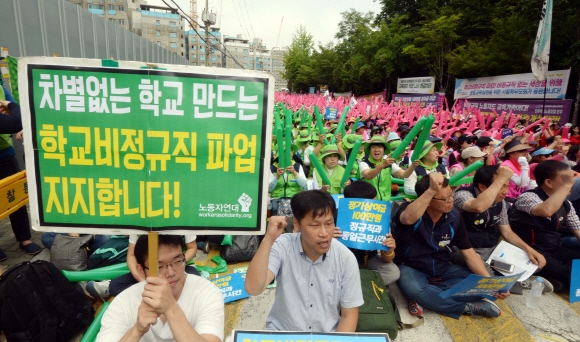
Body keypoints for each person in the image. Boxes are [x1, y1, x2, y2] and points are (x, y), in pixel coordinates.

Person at [393, 173, 510, 319]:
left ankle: (428, 297)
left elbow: (469, 253)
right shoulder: (410, 209)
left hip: (443, 268)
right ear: (428, 200)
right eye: (445, 198)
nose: (451, 201)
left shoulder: (454, 216)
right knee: (414, 288)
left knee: (482, 285)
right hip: (412, 268)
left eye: (451, 195)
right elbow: (407, 218)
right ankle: (466, 307)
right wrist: (431, 190)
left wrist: (489, 283)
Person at [245, 190, 363, 332]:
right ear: (297, 224)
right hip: (282, 333)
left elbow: (348, 316)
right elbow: (253, 288)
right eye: (314, 225)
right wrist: (268, 239)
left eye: (329, 223)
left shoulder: (346, 259)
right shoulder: (283, 245)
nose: (324, 233)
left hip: (325, 337)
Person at [96, 235, 224, 342]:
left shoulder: (207, 292)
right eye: (159, 267)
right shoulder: (124, 302)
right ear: (141, 271)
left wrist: (171, 308)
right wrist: (137, 330)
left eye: (178, 261)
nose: (171, 272)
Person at [453, 165, 549, 290]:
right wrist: (502, 177)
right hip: (467, 251)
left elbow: (507, 232)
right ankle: (512, 283)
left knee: (533, 263)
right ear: (482, 187)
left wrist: (529, 250)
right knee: (481, 267)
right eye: (501, 186)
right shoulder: (463, 194)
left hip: (491, 250)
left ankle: (509, 281)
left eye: (507, 186)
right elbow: (478, 206)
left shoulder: (500, 202)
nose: (505, 191)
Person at [510, 160, 580, 290]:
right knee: (570, 275)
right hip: (530, 251)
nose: (571, 182)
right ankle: (552, 279)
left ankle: (555, 282)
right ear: (548, 182)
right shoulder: (528, 197)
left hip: (555, 248)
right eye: (565, 178)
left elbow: (577, 229)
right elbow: (545, 210)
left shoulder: (566, 204)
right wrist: (567, 185)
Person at [87, 234, 199, 301]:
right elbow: (130, 255)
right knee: (115, 285)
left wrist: (176, 264)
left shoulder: (181, 217)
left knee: (194, 281)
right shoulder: (139, 222)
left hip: (180, 267)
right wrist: (143, 280)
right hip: (151, 270)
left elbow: (192, 248)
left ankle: (158, 297)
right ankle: (159, 296)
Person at [0, 97, 42, 260]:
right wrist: (11, 106)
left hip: (5, 153)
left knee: (15, 197)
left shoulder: (1, 87)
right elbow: (15, 120)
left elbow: (21, 113)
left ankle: (24, 238)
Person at [338, 181, 399, 286]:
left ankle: (354, 286)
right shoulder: (336, 216)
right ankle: (362, 285)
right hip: (341, 260)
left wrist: (390, 249)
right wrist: (331, 239)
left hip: (369, 259)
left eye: (374, 200)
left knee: (392, 272)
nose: (373, 206)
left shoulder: (382, 218)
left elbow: (388, 259)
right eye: (370, 202)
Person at [360, 136, 417, 201]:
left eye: (380, 147)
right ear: (369, 150)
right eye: (373, 147)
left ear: (384, 150)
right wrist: (382, 165)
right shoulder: (364, 163)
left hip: (386, 202)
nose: (376, 150)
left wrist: (413, 166)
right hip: (369, 201)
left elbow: (404, 174)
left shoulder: (389, 163)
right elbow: (368, 176)